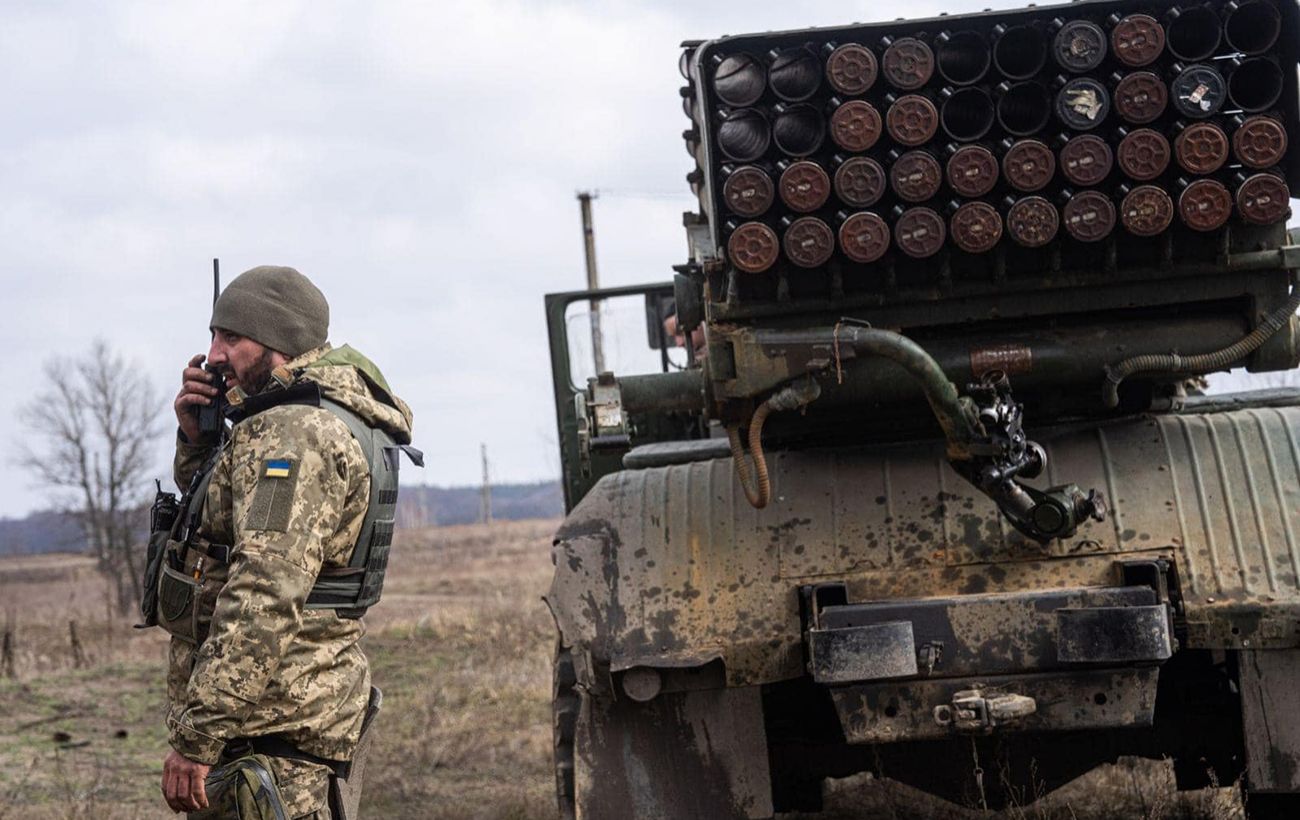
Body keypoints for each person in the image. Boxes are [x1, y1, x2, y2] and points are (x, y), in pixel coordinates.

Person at [158, 265, 415, 818]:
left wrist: (197, 738)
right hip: (278, 718)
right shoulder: (300, 418)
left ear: (277, 342)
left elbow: (264, 592)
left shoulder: (294, 435)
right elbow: (226, 524)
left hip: (271, 728)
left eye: (231, 337)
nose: (214, 354)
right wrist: (198, 441)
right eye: (213, 335)